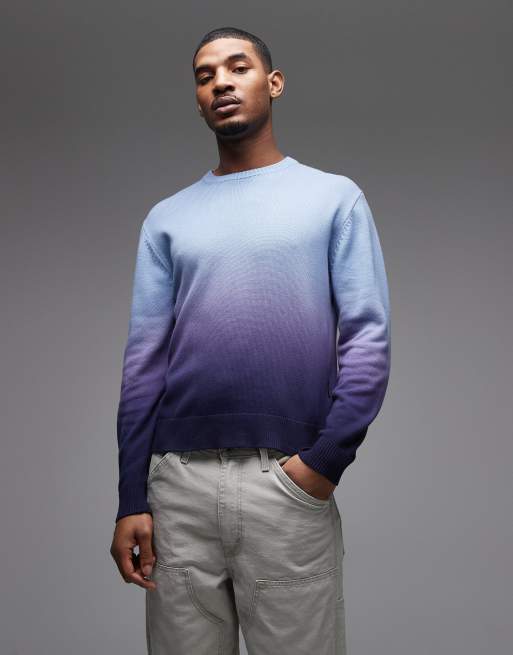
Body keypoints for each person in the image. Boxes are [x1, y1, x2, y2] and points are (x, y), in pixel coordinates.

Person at [110, 25, 391, 655]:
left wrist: (322, 464)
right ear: (198, 98)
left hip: (286, 484)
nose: (221, 83)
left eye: (238, 67)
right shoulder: (166, 219)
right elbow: (143, 367)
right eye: (205, 75)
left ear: (274, 82)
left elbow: (368, 342)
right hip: (176, 488)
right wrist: (131, 496)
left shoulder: (334, 199)